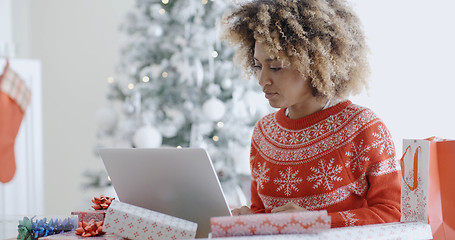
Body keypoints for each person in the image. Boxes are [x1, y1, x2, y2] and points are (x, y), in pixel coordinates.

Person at [221, 0, 401, 228]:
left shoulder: (363, 128)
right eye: (258, 66)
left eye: (275, 66)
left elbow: (394, 213)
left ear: (315, 63)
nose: (261, 80)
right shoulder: (263, 133)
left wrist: (316, 222)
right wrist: (251, 221)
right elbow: (264, 213)